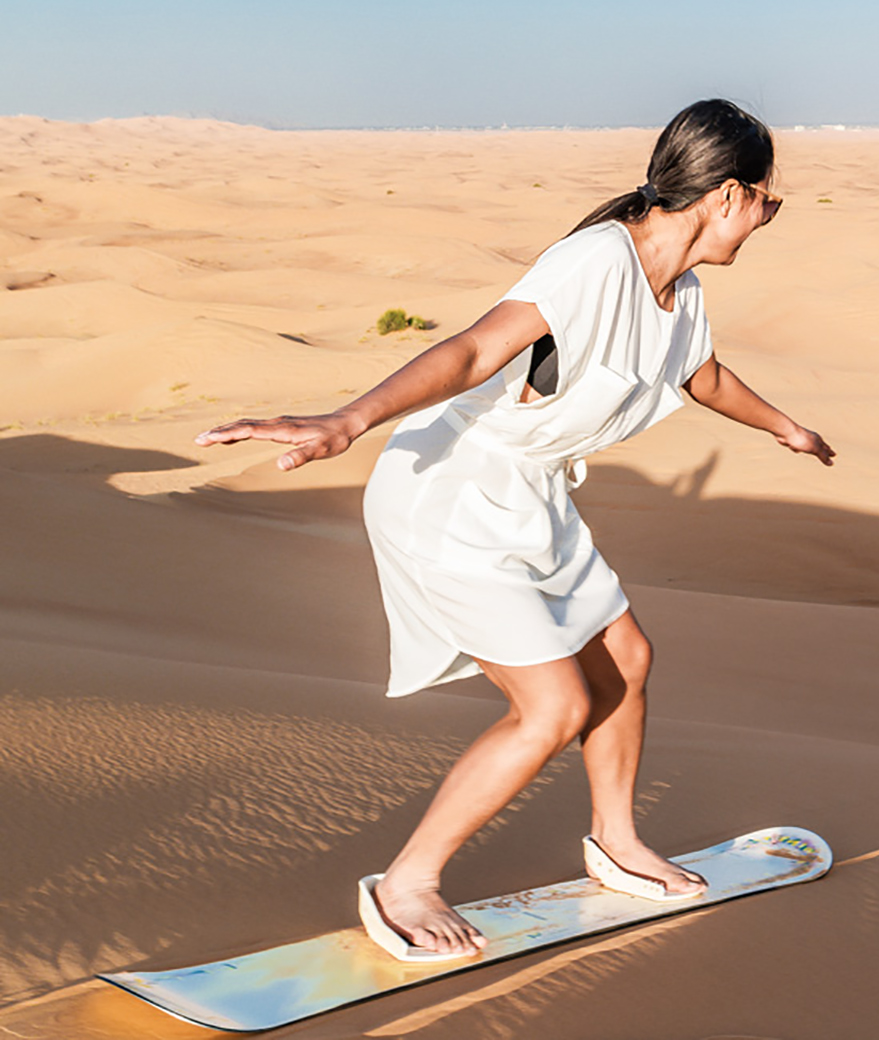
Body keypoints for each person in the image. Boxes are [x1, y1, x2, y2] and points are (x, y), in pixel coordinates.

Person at [195, 99, 833, 960]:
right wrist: (345, 422)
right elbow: (469, 352)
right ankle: (405, 885)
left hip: (529, 495)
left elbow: (703, 375)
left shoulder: (681, 294)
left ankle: (616, 840)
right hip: (451, 496)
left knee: (628, 659)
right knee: (554, 706)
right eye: (767, 201)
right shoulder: (595, 263)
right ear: (726, 195)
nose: (766, 218)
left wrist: (784, 426)